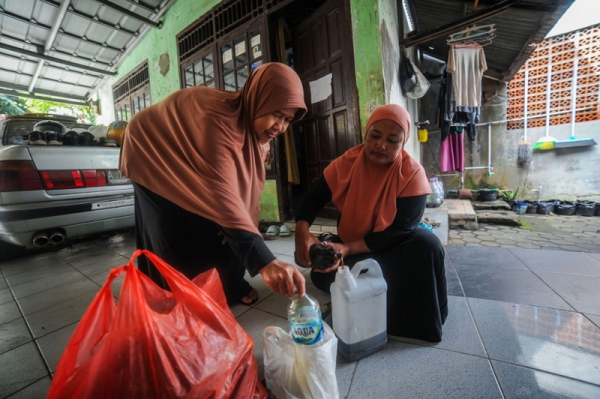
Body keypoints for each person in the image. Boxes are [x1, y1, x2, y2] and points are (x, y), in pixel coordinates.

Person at [119, 63, 307, 305]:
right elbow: (220, 195)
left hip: (192, 157)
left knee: (227, 228)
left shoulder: (258, 135)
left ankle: (228, 286)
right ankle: (175, 294)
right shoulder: (217, 122)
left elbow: (243, 193)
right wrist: (264, 261)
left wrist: (245, 227)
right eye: (276, 114)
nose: (280, 126)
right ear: (259, 99)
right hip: (151, 152)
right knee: (176, 231)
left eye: (288, 120)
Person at [294, 104, 448, 342]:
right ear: (366, 134)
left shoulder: (411, 174)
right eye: (375, 136)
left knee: (427, 245)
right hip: (352, 245)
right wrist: (302, 231)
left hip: (391, 247)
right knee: (321, 274)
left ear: (403, 143)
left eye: (392, 140)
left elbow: (398, 232)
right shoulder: (347, 163)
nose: (381, 145)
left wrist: (347, 249)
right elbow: (313, 198)